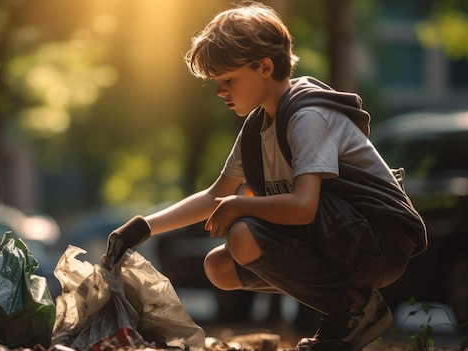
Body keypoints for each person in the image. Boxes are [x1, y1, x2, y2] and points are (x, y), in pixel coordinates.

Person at [103, 2, 427, 351]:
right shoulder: (257, 128)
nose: (220, 92)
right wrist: (142, 228)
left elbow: (303, 207)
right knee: (220, 266)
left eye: (228, 80)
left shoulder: (307, 115)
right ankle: (348, 310)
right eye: (216, 82)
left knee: (243, 233)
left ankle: (353, 311)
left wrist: (241, 205)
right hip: (341, 235)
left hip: (379, 243)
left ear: (265, 67)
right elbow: (215, 196)